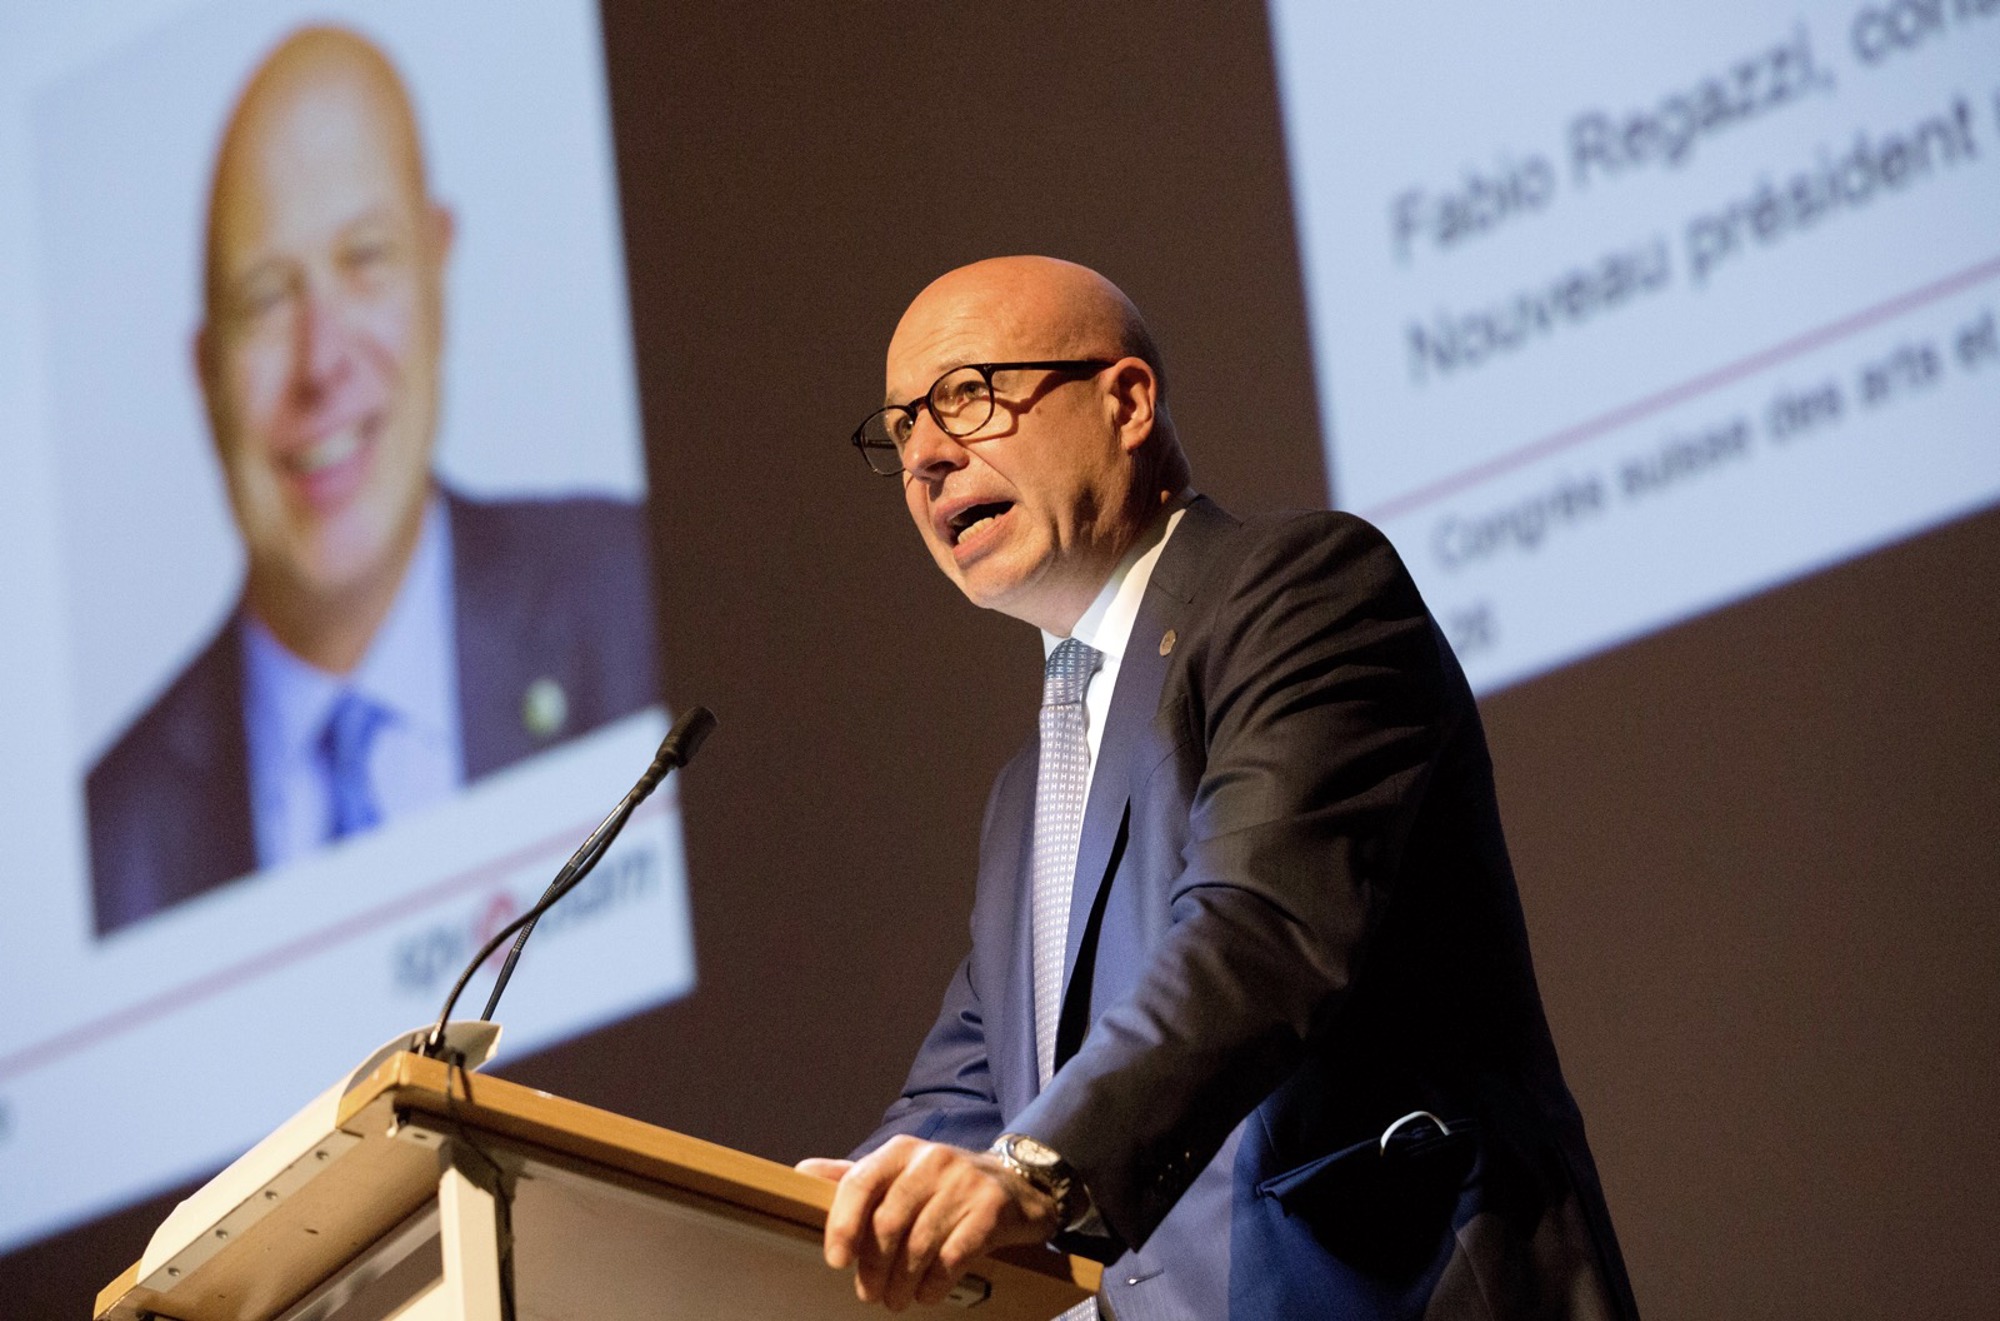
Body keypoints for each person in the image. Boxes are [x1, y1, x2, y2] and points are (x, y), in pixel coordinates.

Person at [799, 256, 1639, 1319]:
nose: (925, 453)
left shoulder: (1301, 593)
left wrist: (1035, 1170)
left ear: (1126, 402)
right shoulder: (1026, 791)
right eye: (902, 425)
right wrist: (804, 1229)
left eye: (967, 395)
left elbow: (1261, 931)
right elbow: (971, 1090)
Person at [84, 27, 656, 936]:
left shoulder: (633, 602)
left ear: (438, 266)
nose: (321, 361)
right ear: (206, 371)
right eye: (265, 298)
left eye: (365, 257)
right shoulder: (110, 844)